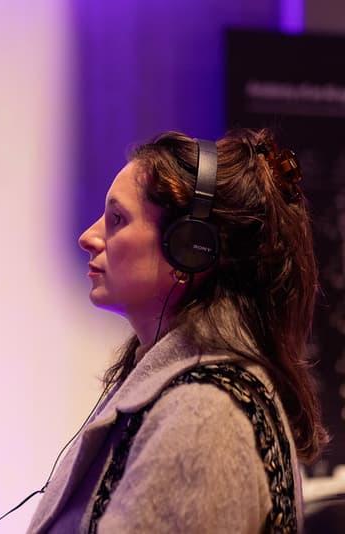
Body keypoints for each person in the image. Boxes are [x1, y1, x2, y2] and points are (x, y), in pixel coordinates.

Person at [26, 128, 329, 533]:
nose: (88, 237)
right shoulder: (185, 394)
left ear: (188, 250)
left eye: (117, 219)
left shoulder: (205, 419)